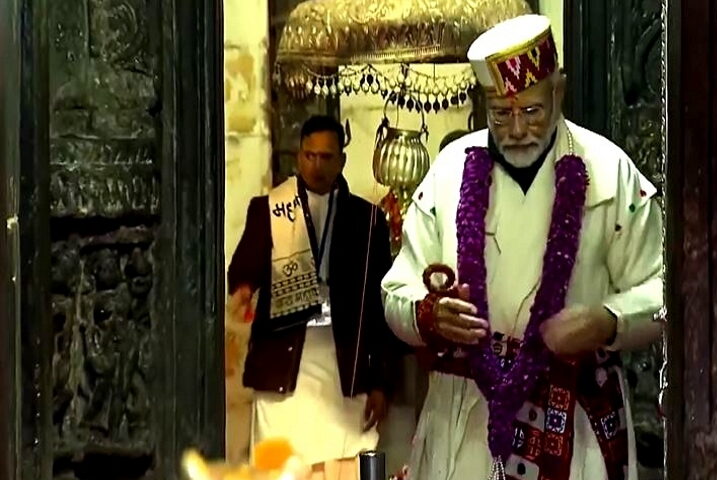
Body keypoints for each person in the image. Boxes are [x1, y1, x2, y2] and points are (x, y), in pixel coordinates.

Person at [381, 14, 664, 480]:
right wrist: (429, 314)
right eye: (500, 113)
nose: (516, 129)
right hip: (465, 419)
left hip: (573, 425)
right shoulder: (450, 171)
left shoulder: (610, 172)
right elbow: (395, 293)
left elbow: (664, 293)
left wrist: (607, 321)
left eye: (532, 110)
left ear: (559, 92)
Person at [228, 115, 395, 480]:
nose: (316, 165)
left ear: (341, 161)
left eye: (326, 157)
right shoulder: (270, 208)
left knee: (347, 460)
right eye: (309, 155)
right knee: (282, 460)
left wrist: (381, 383)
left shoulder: (368, 221)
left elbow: (380, 310)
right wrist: (242, 288)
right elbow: (243, 268)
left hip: (344, 362)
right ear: (298, 157)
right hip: (286, 357)